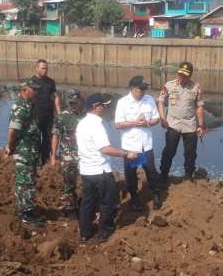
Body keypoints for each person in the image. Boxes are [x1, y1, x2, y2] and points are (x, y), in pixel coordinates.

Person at [76, 93, 137, 244]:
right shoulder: (96, 125)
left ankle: (84, 233)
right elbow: (106, 149)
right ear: (95, 107)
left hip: (86, 170)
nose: (104, 107)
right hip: (100, 170)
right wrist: (126, 153)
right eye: (102, 105)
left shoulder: (81, 123)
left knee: (87, 203)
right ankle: (105, 232)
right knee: (107, 202)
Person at [115, 76, 162, 211]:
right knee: (130, 174)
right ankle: (134, 197)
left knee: (151, 170)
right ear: (132, 89)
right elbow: (118, 124)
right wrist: (135, 122)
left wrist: (147, 123)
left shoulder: (149, 100)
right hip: (130, 146)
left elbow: (156, 119)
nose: (144, 91)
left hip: (146, 144)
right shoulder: (122, 102)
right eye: (141, 89)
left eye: (145, 88)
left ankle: (156, 193)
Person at [5, 79, 45, 227]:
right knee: (24, 181)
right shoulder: (21, 107)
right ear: (24, 90)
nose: (36, 92)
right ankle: (25, 214)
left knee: (30, 180)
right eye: (33, 90)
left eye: (37, 90)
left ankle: (29, 209)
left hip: (31, 151)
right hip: (23, 151)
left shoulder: (30, 105)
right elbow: (13, 130)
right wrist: (9, 147)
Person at [157, 61, 206, 184]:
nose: (182, 77)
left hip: (190, 125)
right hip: (172, 124)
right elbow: (161, 101)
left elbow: (199, 107)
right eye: (180, 74)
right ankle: (163, 175)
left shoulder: (196, 87)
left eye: (185, 75)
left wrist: (201, 125)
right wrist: (162, 118)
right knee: (169, 151)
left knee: (190, 154)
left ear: (190, 75)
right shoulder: (169, 86)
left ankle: (188, 176)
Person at [50, 89, 83, 213]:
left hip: (83, 155)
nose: (74, 105)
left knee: (86, 182)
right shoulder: (62, 117)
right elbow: (55, 136)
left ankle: (83, 204)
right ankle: (69, 206)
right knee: (68, 182)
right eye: (71, 102)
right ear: (67, 102)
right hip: (67, 156)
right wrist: (53, 155)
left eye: (76, 102)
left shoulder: (84, 116)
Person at [29, 59, 61, 165]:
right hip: (35, 116)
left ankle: (45, 160)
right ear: (37, 68)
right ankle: (35, 160)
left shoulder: (50, 82)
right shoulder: (31, 82)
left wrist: (59, 114)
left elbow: (55, 97)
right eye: (43, 68)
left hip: (48, 116)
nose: (45, 70)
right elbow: (25, 98)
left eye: (46, 68)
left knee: (48, 138)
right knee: (35, 139)